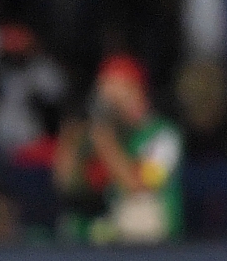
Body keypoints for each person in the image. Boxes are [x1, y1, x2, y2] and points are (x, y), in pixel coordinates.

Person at [53, 55, 183, 244]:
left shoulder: (162, 134)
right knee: (70, 221)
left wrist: (105, 143)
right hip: (106, 223)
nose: (108, 100)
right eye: (104, 92)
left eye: (116, 91)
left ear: (136, 92)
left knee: (139, 210)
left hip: (155, 233)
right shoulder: (100, 131)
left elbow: (139, 186)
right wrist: (70, 141)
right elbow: (66, 185)